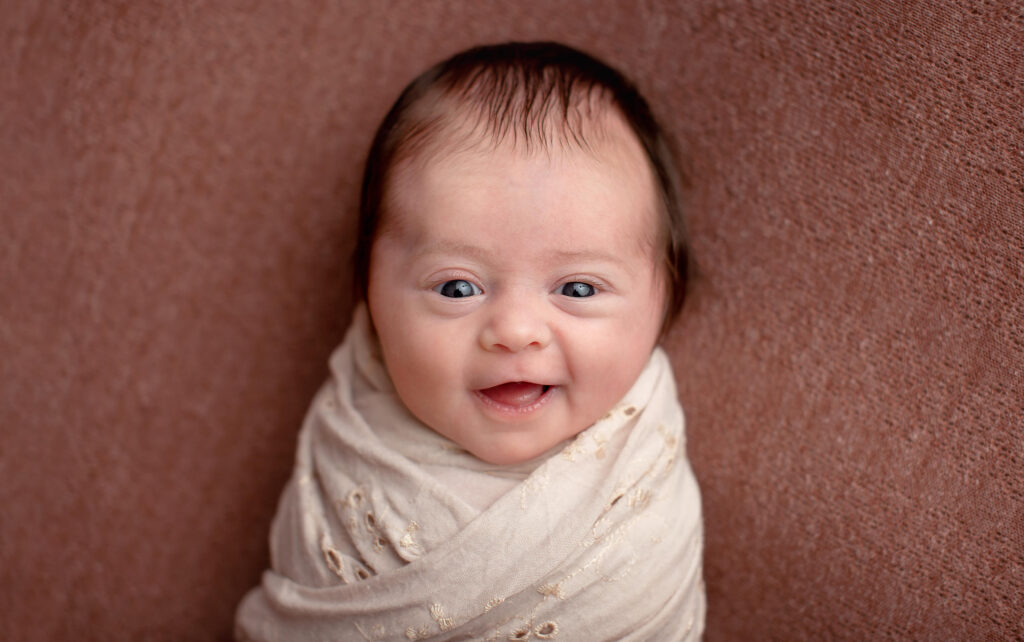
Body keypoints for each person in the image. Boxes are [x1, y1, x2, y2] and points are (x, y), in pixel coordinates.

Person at [236, 41, 704, 641]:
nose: (515, 331)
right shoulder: (351, 441)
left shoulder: (644, 481)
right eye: (457, 287)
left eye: (579, 289)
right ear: (369, 296)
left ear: (664, 300)